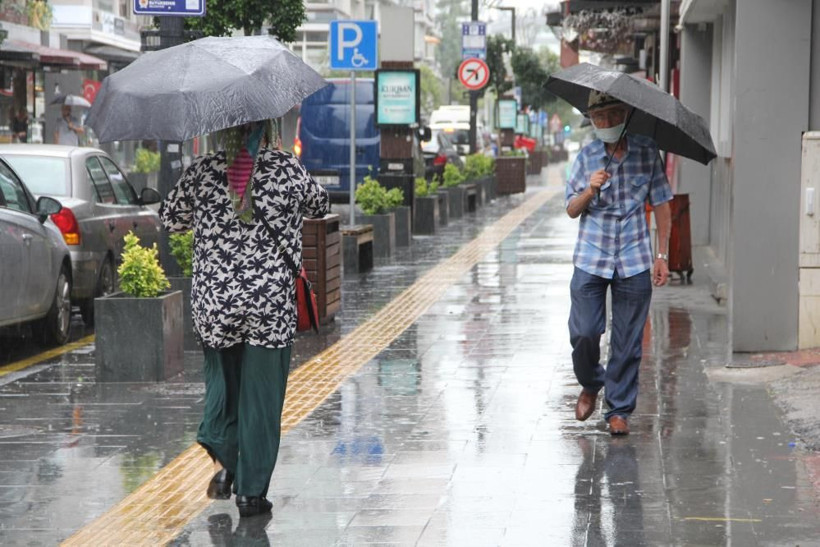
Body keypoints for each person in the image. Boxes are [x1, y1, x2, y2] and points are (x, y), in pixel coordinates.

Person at [159, 120, 329, 517]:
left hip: (217, 303)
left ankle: (223, 462)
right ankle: (251, 492)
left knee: (223, 384)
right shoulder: (287, 168)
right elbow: (320, 206)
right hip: (269, 303)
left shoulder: (201, 171)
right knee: (262, 397)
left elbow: (171, 219)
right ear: (267, 128)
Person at [565, 90, 672, 436]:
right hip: (591, 257)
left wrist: (662, 255)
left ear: (625, 114)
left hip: (634, 257)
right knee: (583, 332)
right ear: (591, 120)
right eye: (599, 118)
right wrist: (589, 190)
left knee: (627, 340)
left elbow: (662, 204)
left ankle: (619, 409)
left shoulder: (646, 153)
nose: (606, 123)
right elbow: (571, 209)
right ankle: (591, 382)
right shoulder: (586, 158)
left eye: (612, 115)